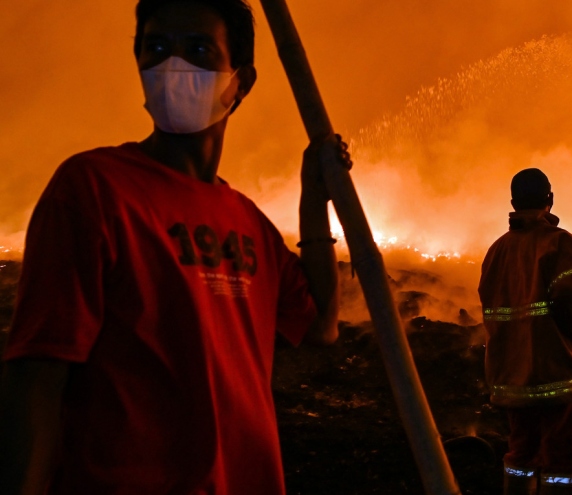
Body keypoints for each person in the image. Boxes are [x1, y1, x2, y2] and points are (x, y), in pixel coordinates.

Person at [0, 1, 348, 493]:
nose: (173, 66)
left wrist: (314, 200)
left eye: (198, 50)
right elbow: (37, 377)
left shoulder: (247, 221)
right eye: (157, 48)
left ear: (241, 83)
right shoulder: (94, 190)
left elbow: (322, 326)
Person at [479, 168, 572, 495]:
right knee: (562, 459)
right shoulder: (558, 243)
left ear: (514, 203)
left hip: (511, 375)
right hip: (553, 372)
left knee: (520, 451)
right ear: (550, 200)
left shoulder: (497, 251)